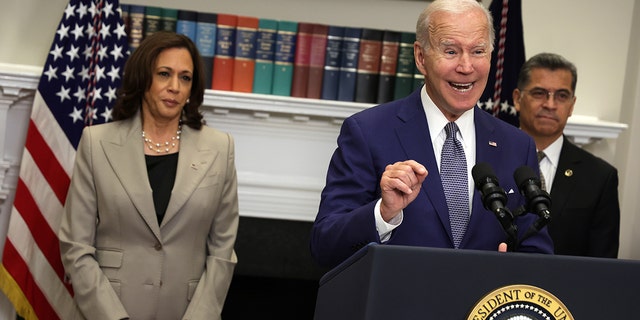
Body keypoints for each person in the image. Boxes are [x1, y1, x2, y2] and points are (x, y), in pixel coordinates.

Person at [310, 0, 553, 269]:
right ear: (421, 57)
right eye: (450, 51)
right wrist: (384, 212)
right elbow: (325, 246)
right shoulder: (368, 132)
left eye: (478, 51)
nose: (466, 66)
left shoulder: (518, 146)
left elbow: (538, 254)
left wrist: (513, 269)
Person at [59, 31, 239, 320]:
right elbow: (75, 246)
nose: (174, 87)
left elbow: (222, 251)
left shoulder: (220, 148)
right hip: (109, 311)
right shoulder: (96, 143)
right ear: (144, 79)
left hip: (186, 312)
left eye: (185, 78)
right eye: (164, 74)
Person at [513, 52, 620, 258]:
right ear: (518, 99)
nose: (550, 105)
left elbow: (603, 265)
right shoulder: (490, 157)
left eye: (561, 96)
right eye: (539, 93)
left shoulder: (599, 177)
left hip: (565, 288)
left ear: (572, 105)